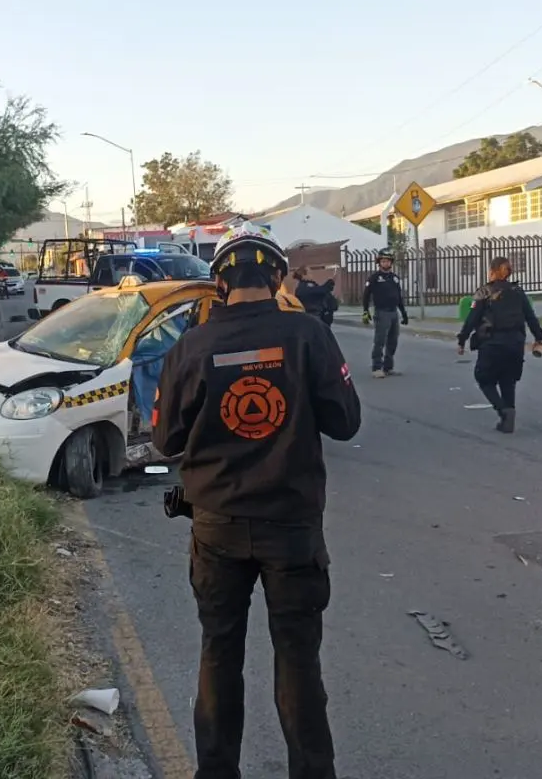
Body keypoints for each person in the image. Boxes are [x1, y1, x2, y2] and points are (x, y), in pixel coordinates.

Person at [152, 221, 362, 779]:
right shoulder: (309, 335)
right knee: (298, 659)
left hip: (216, 529)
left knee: (219, 652)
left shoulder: (190, 348)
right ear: (278, 279)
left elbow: (165, 440)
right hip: (291, 529)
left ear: (218, 284)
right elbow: (345, 422)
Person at [455, 256, 542, 434]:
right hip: (515, 344)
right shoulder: (518, 292)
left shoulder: (484, 292)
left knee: (483, 378)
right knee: (508, 380)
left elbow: (472, 318)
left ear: (492, 272)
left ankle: (502, 410)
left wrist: (462, 339)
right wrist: (539, 337)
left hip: (492, 343)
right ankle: (508, 418)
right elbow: (530, 317)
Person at [361, 249, 408, 378]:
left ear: (391, 262)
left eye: (387, 261)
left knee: (393, 341)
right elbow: (366, 295)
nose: (385, 263)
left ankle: (388, 367)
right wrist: (365, 311)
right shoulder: (374, 278)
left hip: (393, 312)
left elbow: (399, 297)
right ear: (379, 263)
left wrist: (404, 314)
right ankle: (377, 367)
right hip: (381, 312)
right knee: (380, 340)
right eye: (382, 261)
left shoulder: (394, 278)